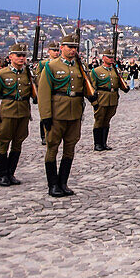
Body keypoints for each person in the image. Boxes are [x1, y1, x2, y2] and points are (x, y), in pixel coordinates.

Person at [37, 32, 91, 197]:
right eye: (70, 47)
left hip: (74, 114)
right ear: (61, 48)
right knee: (52, 148)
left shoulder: (79, 67)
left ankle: (63, 182)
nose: (73, 50)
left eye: (75, 47)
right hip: (57, 114)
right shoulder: (51, 66)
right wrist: (45, 116)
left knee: (70, 148)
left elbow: (85, 88)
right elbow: (44, 93)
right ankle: (53, 184)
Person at [0, 43, 36, 186]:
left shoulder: (27, 73)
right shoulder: (2, 73)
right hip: (7, 112)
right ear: (10, 57)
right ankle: (2, 175)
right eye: (18, 55)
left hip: (23, 112)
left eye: (23, 56)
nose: (21, 58)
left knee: (18, 143)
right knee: (4, 143)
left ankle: (11, 173)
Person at [91, 48, 129, 151]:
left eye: (112, 57)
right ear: (103, 58)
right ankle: (97, 143)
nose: (111, 59)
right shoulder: (96, 71)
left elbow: (120, 84)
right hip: (101, 98)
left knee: (107, 121)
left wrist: (125, 87)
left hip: (112, 99)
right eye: (109, 57)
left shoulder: (115, 71)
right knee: (99, 121)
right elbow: (92, 87)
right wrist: (94, 102)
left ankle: (104, 143)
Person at [35, 41, 60, 145]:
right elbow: (38, 77)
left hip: (57, 92)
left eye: (58, 50)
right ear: (49, 51)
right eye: (54, 50)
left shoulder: (60, 64)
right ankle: (44, 136)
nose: (56, 53)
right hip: (46, 91)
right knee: (45, 114)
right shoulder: (43, 64)